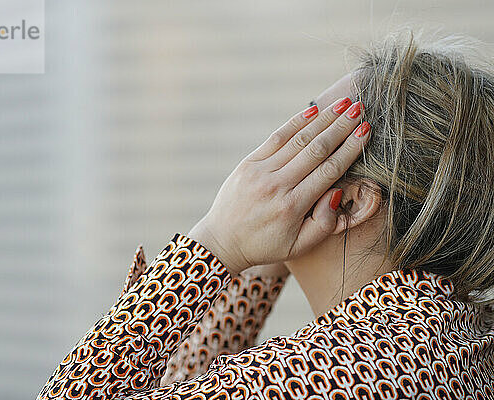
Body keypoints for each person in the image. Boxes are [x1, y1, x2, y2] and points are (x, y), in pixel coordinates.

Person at [37, 30, 494, 399]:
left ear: (352, 203)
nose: (270, 154)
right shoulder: (460, 342)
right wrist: (260, 263)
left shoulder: (324, 373)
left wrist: (216, 243)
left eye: (307, 128)